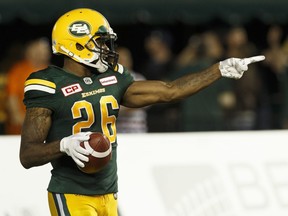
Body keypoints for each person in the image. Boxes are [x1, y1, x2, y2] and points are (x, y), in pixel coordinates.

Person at [19, 8, 265, 216]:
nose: (106, 48)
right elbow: (28, 154)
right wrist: (63, 145)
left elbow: (170, 91)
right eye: (100, 41)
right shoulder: (48, 84)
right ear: (77, 43)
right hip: (70, 191)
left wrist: (218, 69)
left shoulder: (111, 78)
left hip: (108, 191)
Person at [5, 37, 51, 134]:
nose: (44, 53)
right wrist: (18, 117)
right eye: (39, 50)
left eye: (45, 50)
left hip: (47, 126)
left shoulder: (52, 71)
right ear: (29, 51)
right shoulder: (18, 70)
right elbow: (11, 97)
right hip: (21, 128)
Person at [116, 46, 148, 133]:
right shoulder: (109, 81)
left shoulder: (139, 79)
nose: (124, 61)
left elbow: (146, 102)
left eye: (126, 58)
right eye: (120, 59)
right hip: (118, 132)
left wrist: (120, 105)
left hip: (137, 131)